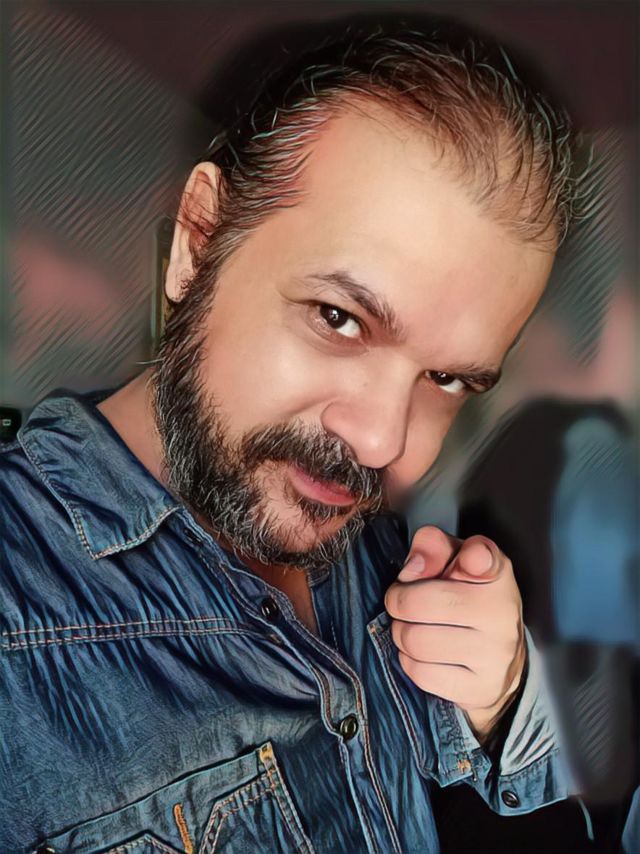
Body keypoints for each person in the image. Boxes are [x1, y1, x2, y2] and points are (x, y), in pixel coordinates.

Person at [0, 15, 590, 853]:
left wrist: (504, 699)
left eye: (448, 379)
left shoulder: (385, 555)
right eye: (339, 318)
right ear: (198, 242)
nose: (382, 443)